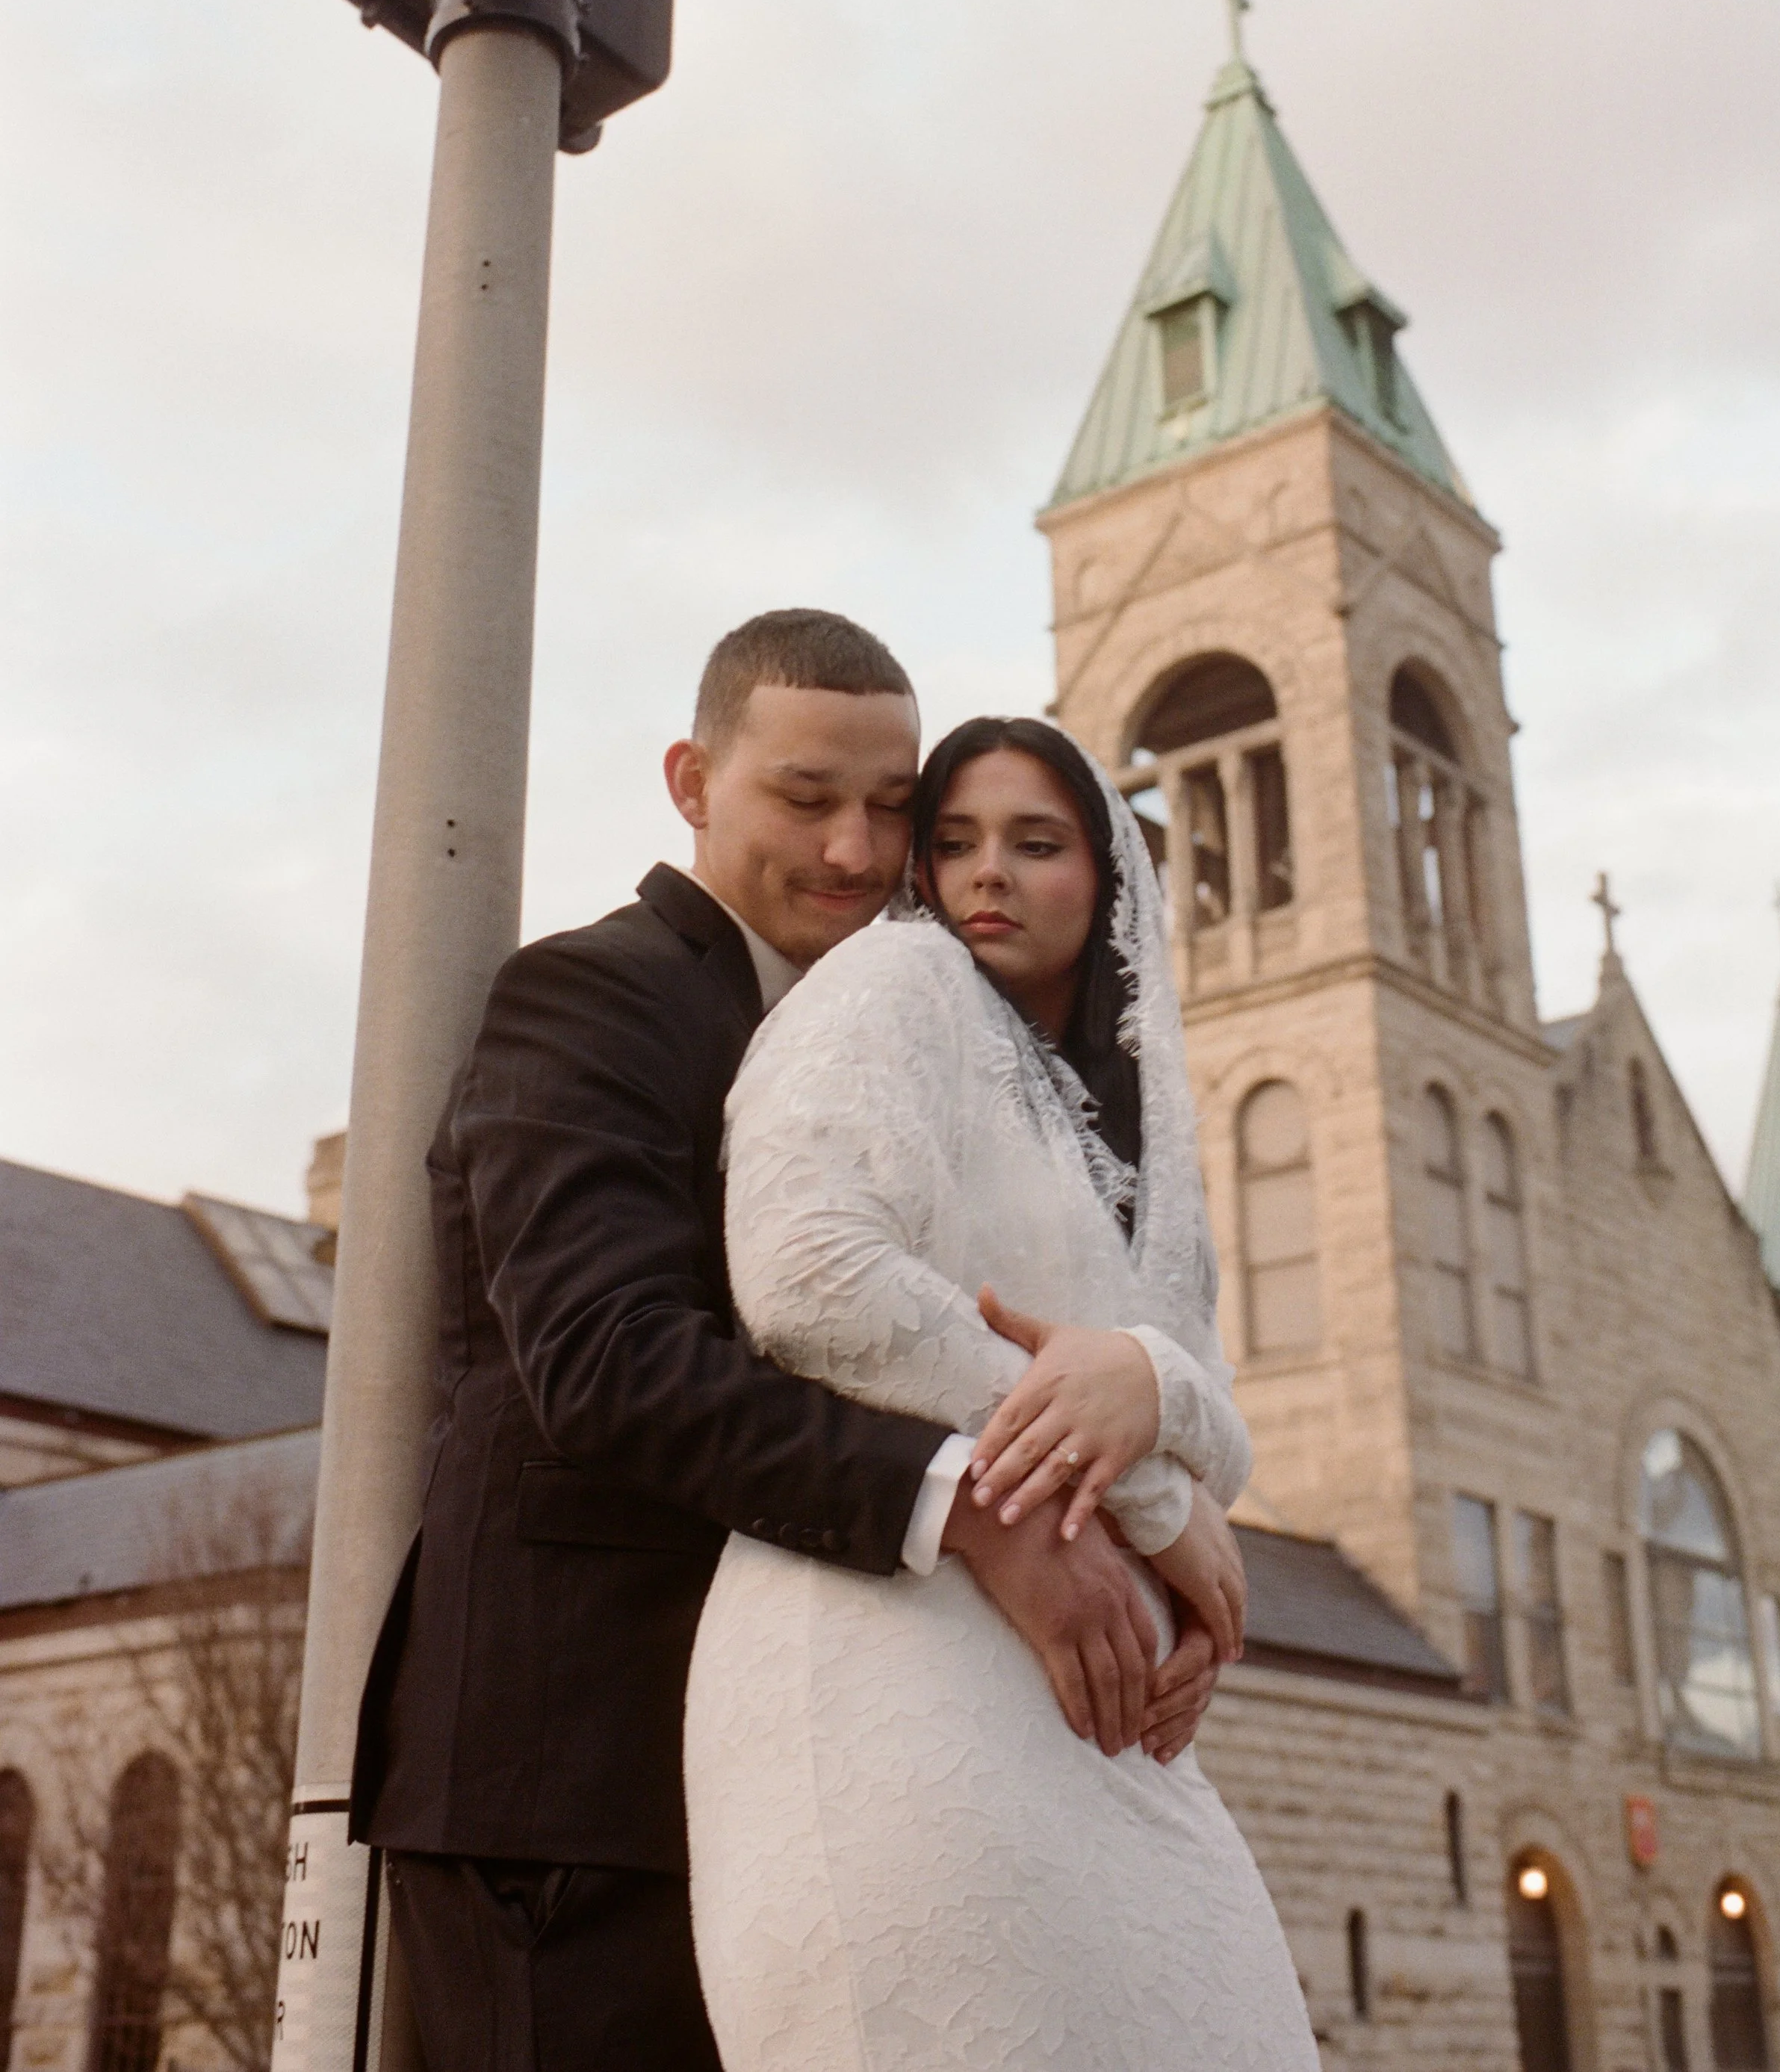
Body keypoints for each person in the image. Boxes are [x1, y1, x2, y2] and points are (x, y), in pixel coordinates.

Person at [351, 617, 1219, 2072]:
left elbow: (970, 1334)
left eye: (894, 809)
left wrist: (1156, 1495)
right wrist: (984, 1513)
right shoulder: (592, 998)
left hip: (807, 1778)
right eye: (805, 798)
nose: (854, 851)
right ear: (692, 780)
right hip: (573, 1782)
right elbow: (609, 1358)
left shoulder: (912, 1042)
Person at [686, 715, 1321, 2070]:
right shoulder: (894, 986)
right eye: (956, 841)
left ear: (1110, 878)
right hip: (895, 1670)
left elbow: (1209, 1413)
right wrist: (1145, 1491)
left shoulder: (1136, 1125)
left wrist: (1149, 1386)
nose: (988, 874)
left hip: (1107, 1729)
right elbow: (807, 1278)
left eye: (1036, 844)